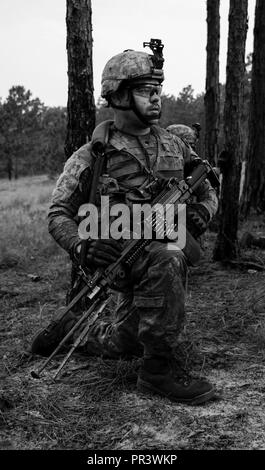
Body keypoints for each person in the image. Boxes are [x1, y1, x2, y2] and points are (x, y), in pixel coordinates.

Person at [31, 41, 218, 405]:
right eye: (145, 91)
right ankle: (157, 372)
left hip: (158, 253)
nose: (156, 99)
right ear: (117, 96)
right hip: (119, 261)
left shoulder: (174, 145)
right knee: (169, 254)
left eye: (158, 90)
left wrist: (203, 211)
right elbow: (58, 214)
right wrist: (82, 245)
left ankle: (77, 333)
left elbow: (208, 183)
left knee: (127, 342)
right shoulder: (92, 156)